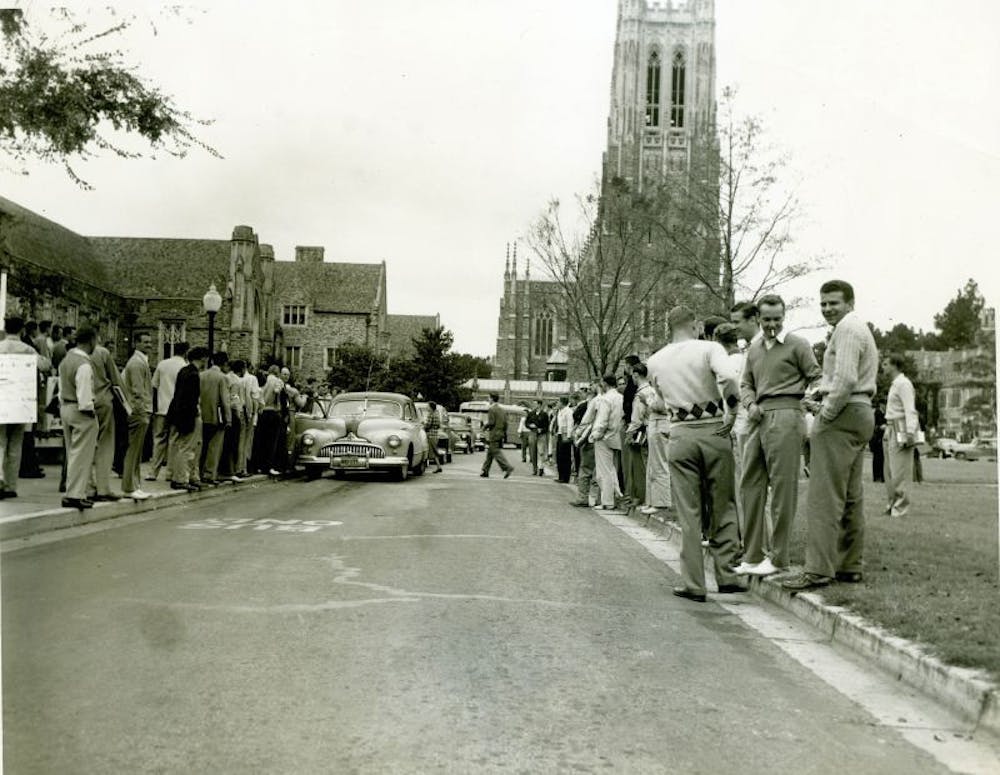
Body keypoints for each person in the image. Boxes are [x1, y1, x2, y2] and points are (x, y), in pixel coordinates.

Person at [783, 280, 877, 591]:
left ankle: (818, 571)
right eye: (823, 304)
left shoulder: (847, 329)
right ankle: (849, 566)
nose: (827, 309)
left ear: (850, 302)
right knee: (850, 495)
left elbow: (847, 378)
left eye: (833, 303)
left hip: (844, 414)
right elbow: (844, 379)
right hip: (860, 412)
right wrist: (822, 393)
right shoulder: (855, 327)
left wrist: (825, 412)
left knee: (823, 497)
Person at [653, 306, 742, 602]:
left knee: (689, 512)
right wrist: (732, 408)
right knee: (723, 503)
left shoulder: (655, 360)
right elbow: (728, 377)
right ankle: (727, 574)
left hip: (680, 432)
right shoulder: (709, 347)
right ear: (695, 325)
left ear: (669, 326)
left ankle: (694, 583)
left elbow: (659, 399)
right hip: (714, 429)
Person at [733, 294, 822, 577]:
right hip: (758, 417)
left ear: (784, 318)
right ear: (758, 318)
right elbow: (745, 383)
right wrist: (750, 404)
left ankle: (779, 557)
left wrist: (808, 399)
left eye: (777, 319)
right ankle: (752, 554)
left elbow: (817, 377)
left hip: (786, 414)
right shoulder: (755, 348)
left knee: (783, 489)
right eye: (767, 319)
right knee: (750, 484)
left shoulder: (798, 344)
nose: (772, 325)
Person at [0, 317, 51, 499]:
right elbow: (45, 365)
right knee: (15, 445)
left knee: (0, 443)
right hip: (21, 401)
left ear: (5, 329)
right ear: (22, 330)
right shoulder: (27, 350)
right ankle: (10, 485)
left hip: (1, 399)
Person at [58, 325, 99, 509]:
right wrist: (90, 410)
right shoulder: (84, 364)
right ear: (91, 340)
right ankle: (75, 494)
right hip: (81, 410)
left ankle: (71, 491)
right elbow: (84, 394)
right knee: (82, 455)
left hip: (65, 406)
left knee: (72, 453)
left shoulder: (67, 360)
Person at [882, 353, 920, 517]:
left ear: (894, 365)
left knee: (900, 471)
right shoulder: (894, 385)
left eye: (885, 364)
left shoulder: (903, 384)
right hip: (890, 427)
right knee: (890, 471)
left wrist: (910, 432)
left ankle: (901, 508)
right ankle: (892, 504)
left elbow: (909, 409)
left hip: (901, 427)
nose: (882, 367)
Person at [166, 347, 208, 491]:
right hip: (189, 415)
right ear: (202, 358)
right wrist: (194, 415)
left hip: (179, 413)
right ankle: (181, 478)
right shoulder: (193, 374)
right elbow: (191, 399)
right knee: (187, 447)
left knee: (184, 446)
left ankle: (186, 476)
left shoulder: (184, 371)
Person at [88, 333, 123, 501]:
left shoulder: (75, 353)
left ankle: (88, 486)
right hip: (103, 400)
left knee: (85, 445)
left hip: (84, 401)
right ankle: (103, 488)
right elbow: (116, 380)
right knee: (105, 444)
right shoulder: (103, 353)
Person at [148, 342, 189, 481]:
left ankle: (153, 472)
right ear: (185, 352)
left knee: (159, 440)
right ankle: (170, 473)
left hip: (161, 407)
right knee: (174, 441)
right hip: (177, 409)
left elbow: (154, 385)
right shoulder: (185, 367)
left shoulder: (162, 364)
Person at [120, 332, 154, 500]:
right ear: (136, 344)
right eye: (145, 342)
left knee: (137, 450)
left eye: (150, 342)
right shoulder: (136, 363)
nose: (149, 345)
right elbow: (137, 390)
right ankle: (129, 486)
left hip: (140, 410)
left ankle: (135, 484)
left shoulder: (139, 362)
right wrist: (142, 410)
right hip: (139, 411)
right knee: (134, 450)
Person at [589, 374, 624, 510]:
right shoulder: (620, 398)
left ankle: (608, 501)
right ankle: (616, 494)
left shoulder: (605, 399)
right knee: (612, 468)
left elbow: (602, 420)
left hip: (604, 436)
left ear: (604, 383)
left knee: (603, 470)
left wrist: (595, 434)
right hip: (616, 435)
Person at [199, 351, 232, 485]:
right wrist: (228, 418)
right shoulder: (222, 378)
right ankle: (210, 474)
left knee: (202, 445)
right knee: (214, 446)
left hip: (202, 414)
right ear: (224, 363)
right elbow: (225, 400)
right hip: (216, 416)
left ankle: (199, 472)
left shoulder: (202, 375)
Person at [625, 362, 653, 514]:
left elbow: (636, 418)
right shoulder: (652, 391)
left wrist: (629, 433)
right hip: (652, 430)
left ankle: (641, 497)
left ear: (636, 375)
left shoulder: (639, 395)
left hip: (641, 432)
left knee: (639, 467)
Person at [569, 382, 600, 507]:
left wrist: (578, 435)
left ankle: (583, 497)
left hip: (590, 438)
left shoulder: (591, 403)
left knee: (585, 469)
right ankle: (600, 499)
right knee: (600, 471)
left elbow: (585, 421)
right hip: (605, 439)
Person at [480, 393, 513, 479]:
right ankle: (485, 470)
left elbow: (491, 422)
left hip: (494, 434)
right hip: (500, 433)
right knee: (490, 453)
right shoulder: (502, 409)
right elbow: (506, 423)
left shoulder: (492, 409)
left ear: (492, 399)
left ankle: (507, 467)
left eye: (489, 398)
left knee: (496, 452)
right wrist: (503, 432)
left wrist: (484, 427)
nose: (488, 400)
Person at [525, 399, 550, 476]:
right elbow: (526, 423)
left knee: (541, 452)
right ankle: (534, 469)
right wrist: (530, 426)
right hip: (532, 434)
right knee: (533, 452)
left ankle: (541, 468)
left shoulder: (544, 414)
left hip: (541, 435)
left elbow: (547, 426)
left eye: (535, 404)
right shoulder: (531, 413)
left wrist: (541, 430)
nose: (533, 405)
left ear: (539, 405)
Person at [555, 395, 575, 483]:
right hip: (560, 434)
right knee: (559, 456)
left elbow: (570, 424)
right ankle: (560, 475)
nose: (557, 403)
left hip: (566, 435)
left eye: (558, 401)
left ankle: (565, 477)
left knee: (565, 457)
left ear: (562, 402)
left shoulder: (568, 411)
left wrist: (569, 436)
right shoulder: (560, 411)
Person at [424, 401, 444, 473]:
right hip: (435, 434)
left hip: (430, 434)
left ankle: (424, 466)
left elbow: (428, 425)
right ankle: (438, 466)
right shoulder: (436, 414)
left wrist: (424, 427)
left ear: (431, 407)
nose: (427, 407)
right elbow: (438, 425)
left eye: (428, 406)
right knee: (434, 451)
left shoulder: (430, 414)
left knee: (428, 450)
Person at [870, 400, 887, 482]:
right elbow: (873, 425)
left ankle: (882, 476)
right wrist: (880, 427)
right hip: (877, 438)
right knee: (877, 458)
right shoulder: (877, 413)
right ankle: (876, 476)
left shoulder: (885, 413)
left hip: (883, 437)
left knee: (883, 458)